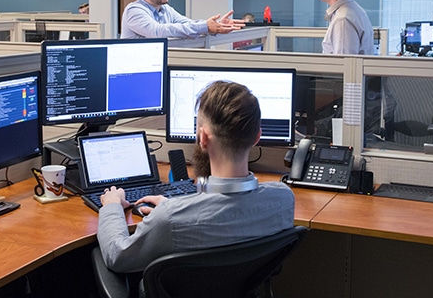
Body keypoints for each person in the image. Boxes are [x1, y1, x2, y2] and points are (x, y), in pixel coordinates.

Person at [97, 80, 295, 281]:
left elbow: (117, 257)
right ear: (257, 137)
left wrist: (112, 206)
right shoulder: (283, 199)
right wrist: (176, 206)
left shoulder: (169, 219)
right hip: (241, 297)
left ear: (202, 137)